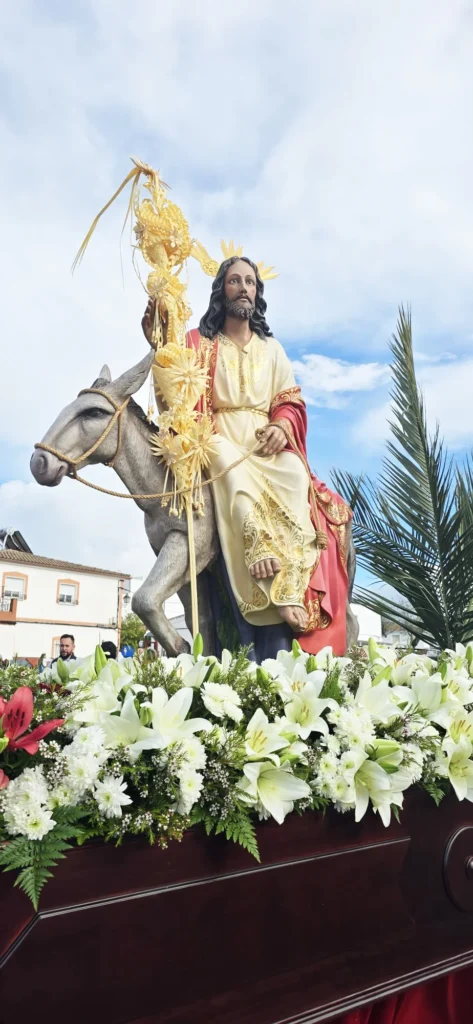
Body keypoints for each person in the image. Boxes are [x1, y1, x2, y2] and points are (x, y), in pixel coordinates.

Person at [142, 257, 352, 657]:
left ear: (257, 292)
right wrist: (160, 341)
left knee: (295, 473)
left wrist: (282, 427)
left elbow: (290, 400)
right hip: (217, 436)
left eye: (250, 282)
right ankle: (259, 553)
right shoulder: (199, 343)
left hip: (264, 442)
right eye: (235, 281)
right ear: (222, 290)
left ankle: (291, 584)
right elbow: (174, 383)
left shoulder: (271, 349)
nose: (243, 288)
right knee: (223, 459)